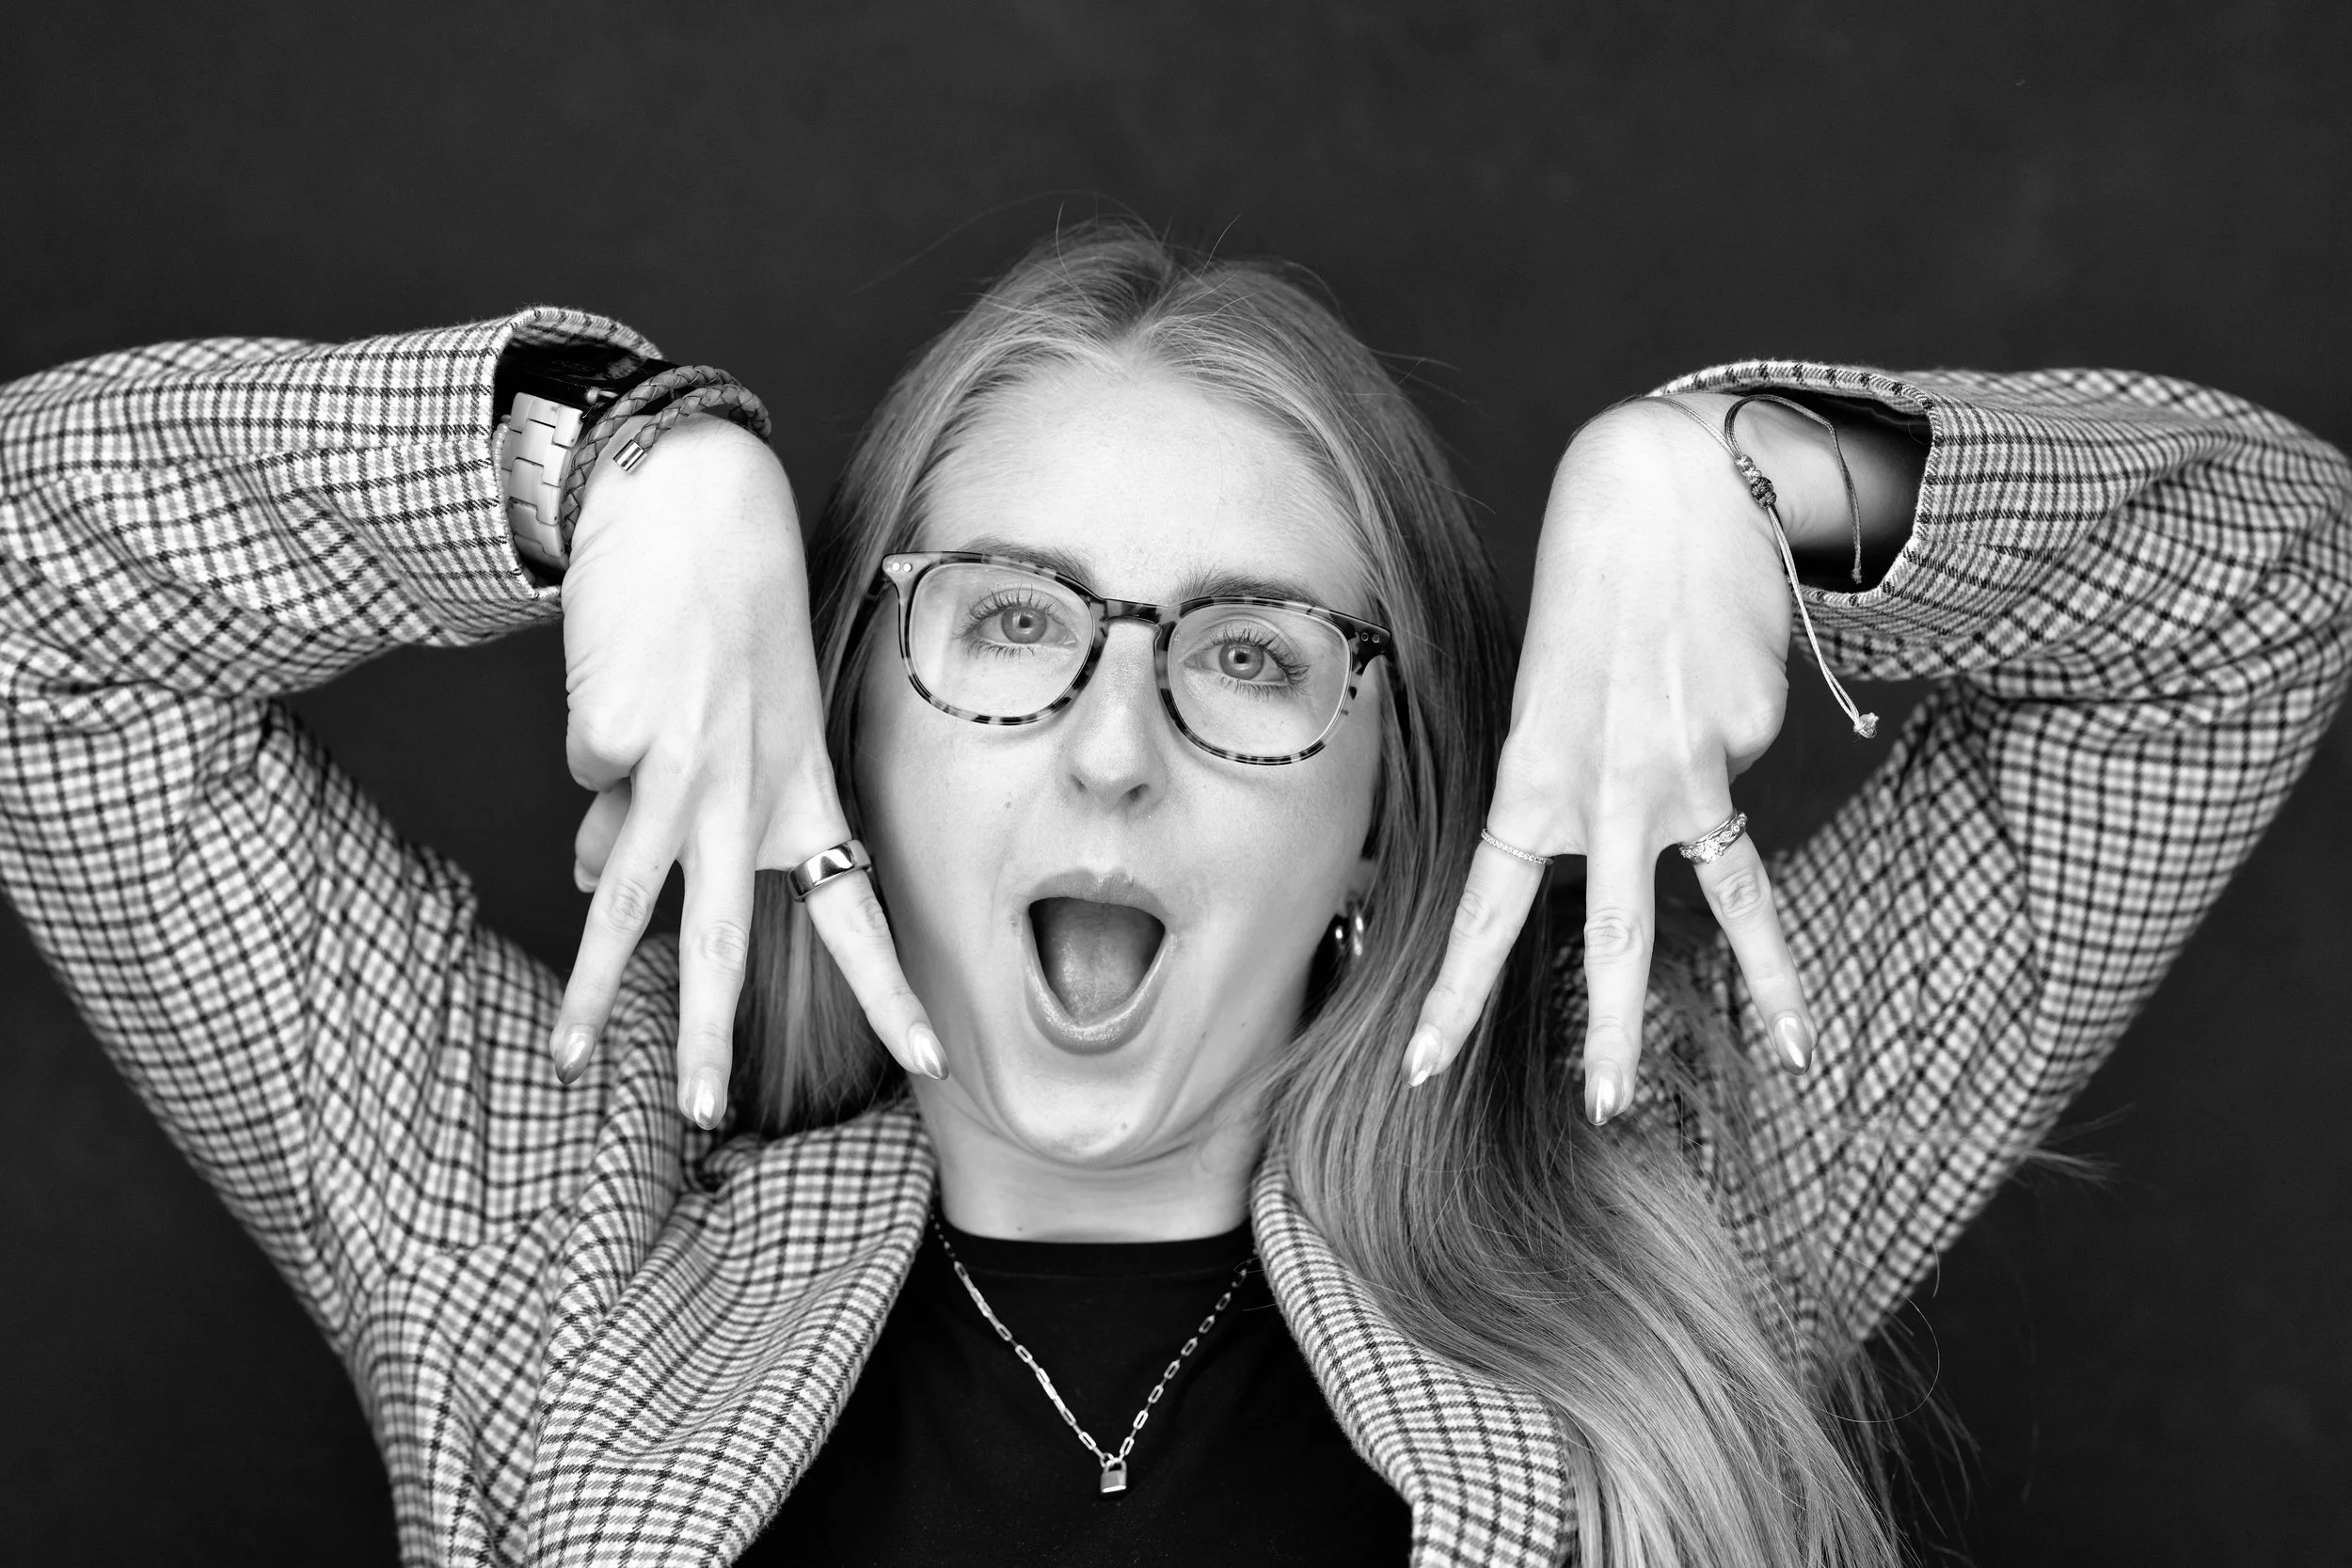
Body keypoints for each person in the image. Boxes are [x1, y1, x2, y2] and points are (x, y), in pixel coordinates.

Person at [1, 222, 2344, 1568]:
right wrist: (614, 469)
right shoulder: (534, 1243)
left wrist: (1740, 477)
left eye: (1247, 654)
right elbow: (38, 609)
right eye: (1009, 619)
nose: (1111, 742)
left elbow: (2258, 601)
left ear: (1384, 817)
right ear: (840, 733)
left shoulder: (1675, 1206)